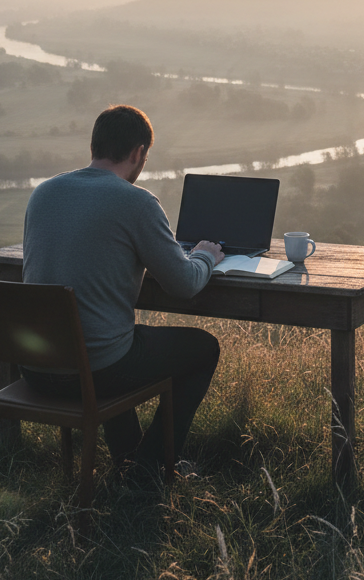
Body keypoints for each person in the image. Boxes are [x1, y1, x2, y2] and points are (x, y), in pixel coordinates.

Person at [20, 103, 225, 480]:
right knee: (201, 349)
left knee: (113, 338)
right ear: (138, 153)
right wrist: (204, 257)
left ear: (94, 145)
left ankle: (129, 462)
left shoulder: (44, 193)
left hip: (35, 366)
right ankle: (149, 471)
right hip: (93, 370)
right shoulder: (136, 202)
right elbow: (183, 285)